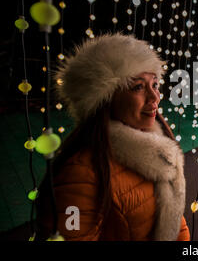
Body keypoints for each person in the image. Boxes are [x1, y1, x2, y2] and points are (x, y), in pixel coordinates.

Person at [35, 33, 190, 241]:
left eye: (154, 84)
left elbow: (175, 222)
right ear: (105, 99)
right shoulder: (81, 175)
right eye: (138, 86)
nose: (155, 97)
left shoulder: (161, 153)